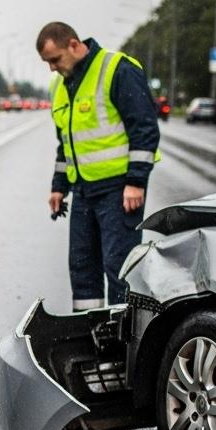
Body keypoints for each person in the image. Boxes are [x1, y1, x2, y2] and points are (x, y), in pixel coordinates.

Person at [37, 21, 160, 309]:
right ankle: (89, 332)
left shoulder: (117, 69)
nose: (52, 68)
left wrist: (136, 182)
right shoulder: (60, 85)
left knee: (120, 269)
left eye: (55, 59)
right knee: (82, 268)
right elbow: (66, 143)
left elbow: (144, 128)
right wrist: (58, 187)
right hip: (83, 191)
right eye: (47, 62)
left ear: (74, 45)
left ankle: (123, 335)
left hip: (119, 190)